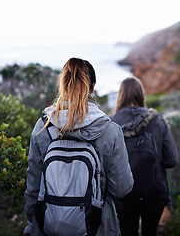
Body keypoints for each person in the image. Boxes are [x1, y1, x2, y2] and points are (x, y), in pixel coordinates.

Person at [23, 58, 134, 236]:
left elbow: (33, 185)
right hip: (98, 226)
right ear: (92, 88)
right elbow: (122, 188)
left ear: (63, 86)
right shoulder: (110, 130)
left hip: (47, 226)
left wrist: (31, 221)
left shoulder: (43, 126)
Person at [111, 76, 178, 236]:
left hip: (123, 196)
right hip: (154, 194)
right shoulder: (157, 121)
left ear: (120, 96)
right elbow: (171, 160)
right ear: (141, 95)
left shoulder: (111, 124)